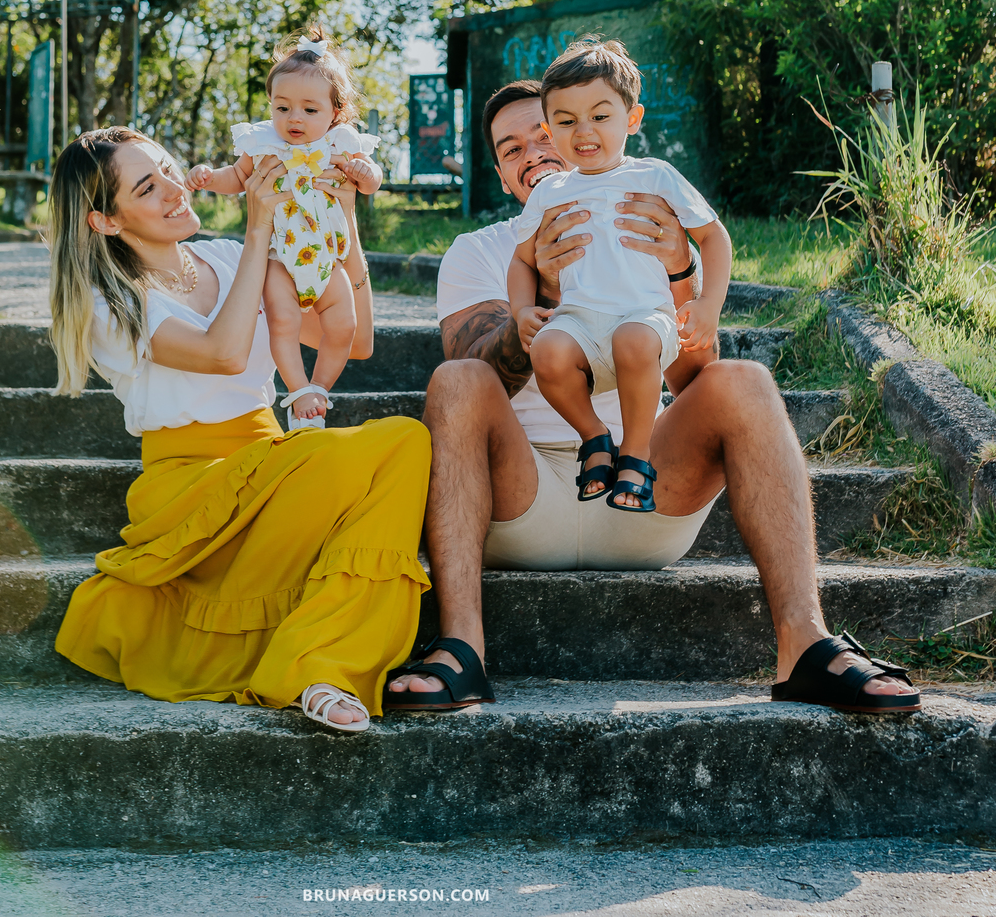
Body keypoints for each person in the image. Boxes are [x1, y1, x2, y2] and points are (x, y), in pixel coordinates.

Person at [384, 78, 919, 718]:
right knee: (454, 380)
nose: (535, 152)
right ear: (501, 175)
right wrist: (549, 292)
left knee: (744, 381)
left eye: (543, 133)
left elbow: (694, 381)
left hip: (643, 493)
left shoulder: (647, 212)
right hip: (518, 501)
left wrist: (680, 273)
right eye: (511, 148)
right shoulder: (479, 252)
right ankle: (461, 649)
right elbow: (474, 377)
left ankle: (804, 643)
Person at [49, 125, 429, 734]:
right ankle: (316, 662)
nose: (174, 188)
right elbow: (223, 354)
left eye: (168, 169)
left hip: (269, 464)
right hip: (190, 489)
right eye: (147, 188)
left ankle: (322, 667)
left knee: (405, 442)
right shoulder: (108, 302)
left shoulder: (227, 259)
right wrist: (259, 231)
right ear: (106, 221)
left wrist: (345, 220)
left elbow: (353, 340)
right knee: (390, 444)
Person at [509, 39, 731, 511]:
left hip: (644, 317)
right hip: (579, 322)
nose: (584, 131)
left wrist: (708, 303)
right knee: (547, 350)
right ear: (549, 130)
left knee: (633, 339)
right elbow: (523, 260)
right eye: (566, 121)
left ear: (632, 118)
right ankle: (595, 437)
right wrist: (522, 309)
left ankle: (636, 452)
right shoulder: (550, 191)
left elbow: (714, 237)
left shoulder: (655, 176)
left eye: (600, 116)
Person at [186, 28, 382, 429]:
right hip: (280, 257)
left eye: (310, 110)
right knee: (284, 322)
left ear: (336, 112)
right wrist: (208, 177)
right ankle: (297, 388)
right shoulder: (262, 143)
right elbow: (236, 177)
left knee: (344, 324)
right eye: (283, 107)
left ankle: (320, 387)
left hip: (327, 258)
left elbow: (370, 178)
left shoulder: (341, 143)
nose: (294, 118)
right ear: (271, 105)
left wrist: (366, 174)